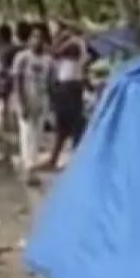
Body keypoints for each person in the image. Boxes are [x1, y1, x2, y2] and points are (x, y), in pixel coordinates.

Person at [42, 24, 88, 171]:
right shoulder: (73, 43)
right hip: (65, 87)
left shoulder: (75, 43)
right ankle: (54, 159)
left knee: (75, 125)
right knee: (62, 126)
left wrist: (59, 39)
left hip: (71, 88)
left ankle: (77, 161)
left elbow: (54, 52)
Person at [11, 24, 53, 181]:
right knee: (27, 134)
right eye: (34, 37)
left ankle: (31, 165)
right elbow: (17, 81)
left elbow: (51, 83)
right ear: (29, 39)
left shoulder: (48, 61)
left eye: (41, 37)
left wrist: (50, 105)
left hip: (42, 102)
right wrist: (22, 103)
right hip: (27, 100)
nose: (38, 40)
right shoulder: (22, 58)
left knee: (37, 137)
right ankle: (29, 169)